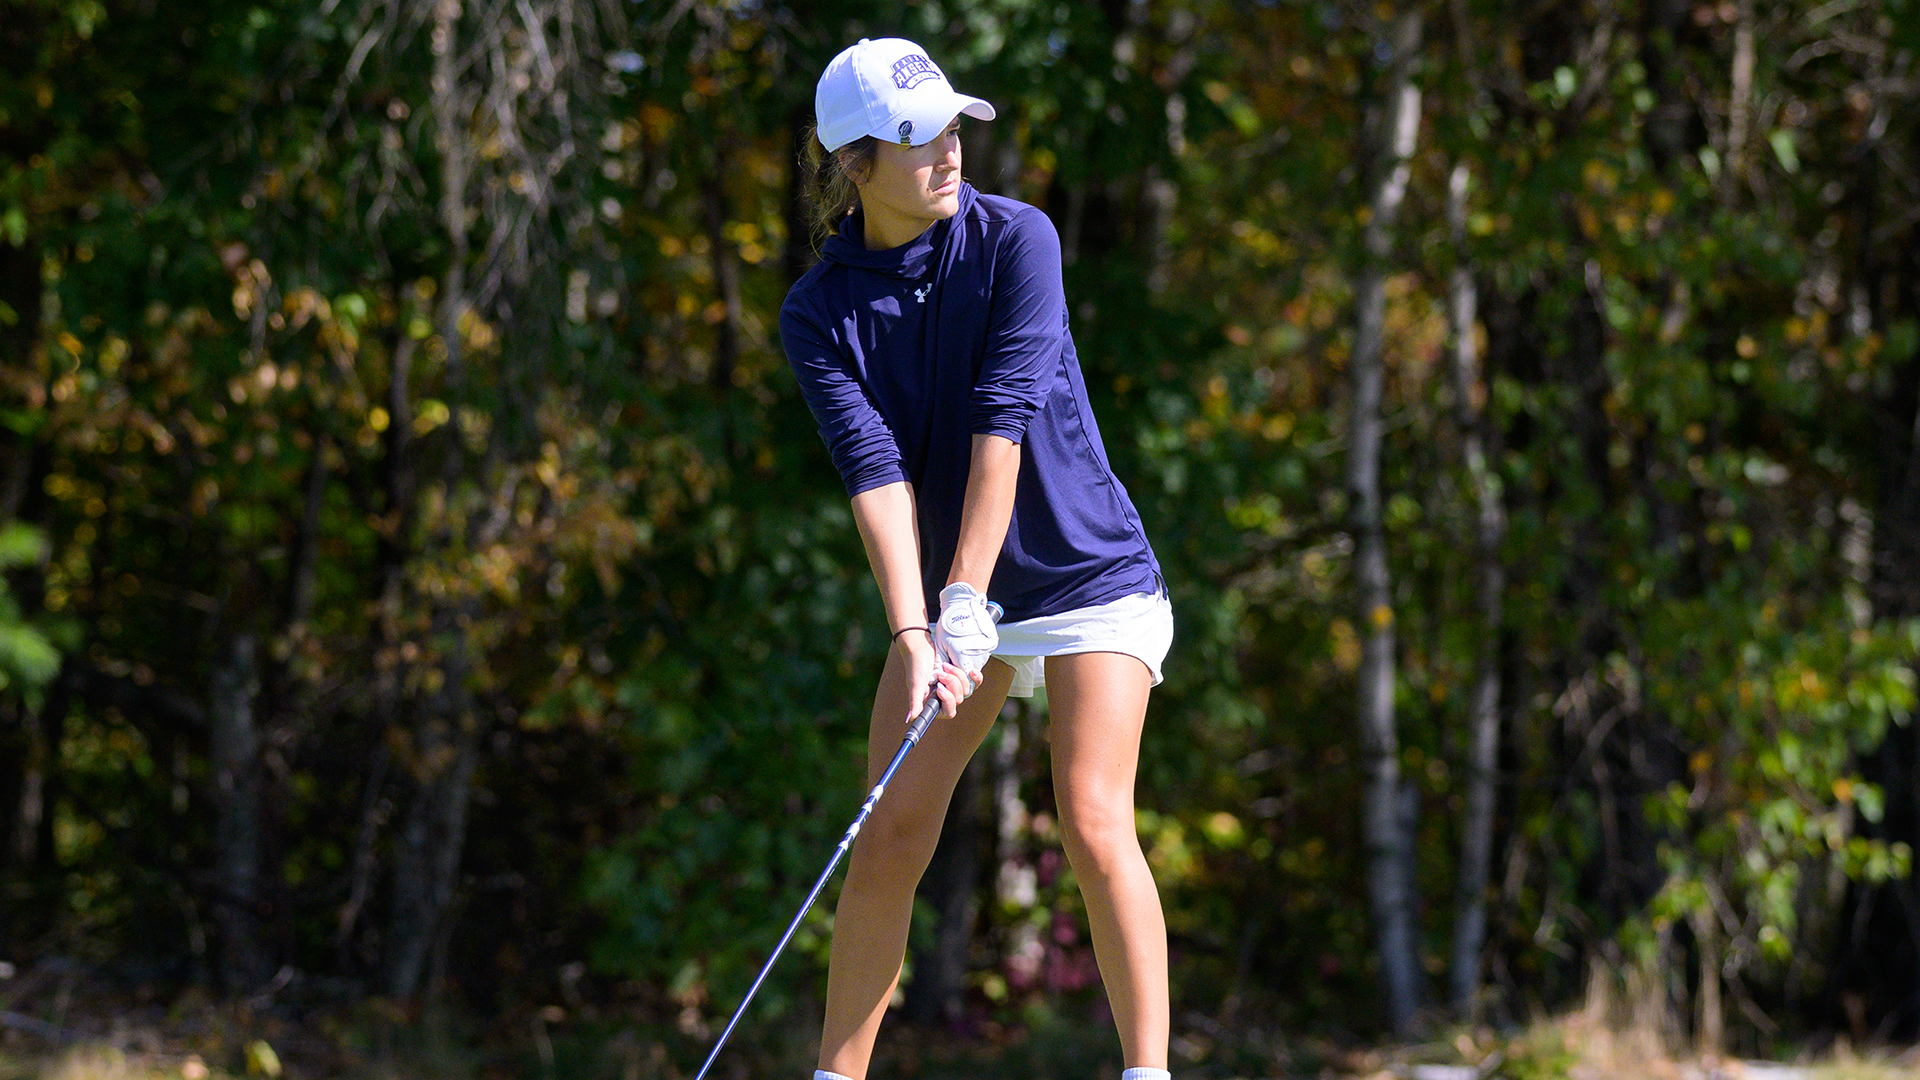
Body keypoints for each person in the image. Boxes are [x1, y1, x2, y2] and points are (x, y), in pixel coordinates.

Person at [779, 36, 1175, 1080]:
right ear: (854, 163)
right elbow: (874, 473)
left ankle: (1149, 1075)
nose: (950, 151)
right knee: (892, 833)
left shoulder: (1018, 241)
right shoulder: (819, 313)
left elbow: (1001, 430)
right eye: (918, 139)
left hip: (1085, 571)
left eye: (955, 124)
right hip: (958, 597)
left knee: (1092, 821)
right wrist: (916, 630)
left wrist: (962, 599)